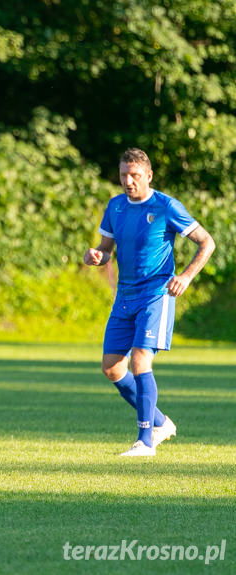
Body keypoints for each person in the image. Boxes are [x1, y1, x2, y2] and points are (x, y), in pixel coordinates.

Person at [83, 148, 215, 456]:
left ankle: (145, 441)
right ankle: (160, 423)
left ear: (149, 176)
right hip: (124, 296)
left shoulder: (166, 206)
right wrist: (96, 256)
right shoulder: (115, 207)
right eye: (123, 175)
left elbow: (206, 242)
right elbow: (106, 249)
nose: (128, 181)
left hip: (156, 293)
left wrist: (185, 276)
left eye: (135, 175)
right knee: (112, 369)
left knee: (141, 361)